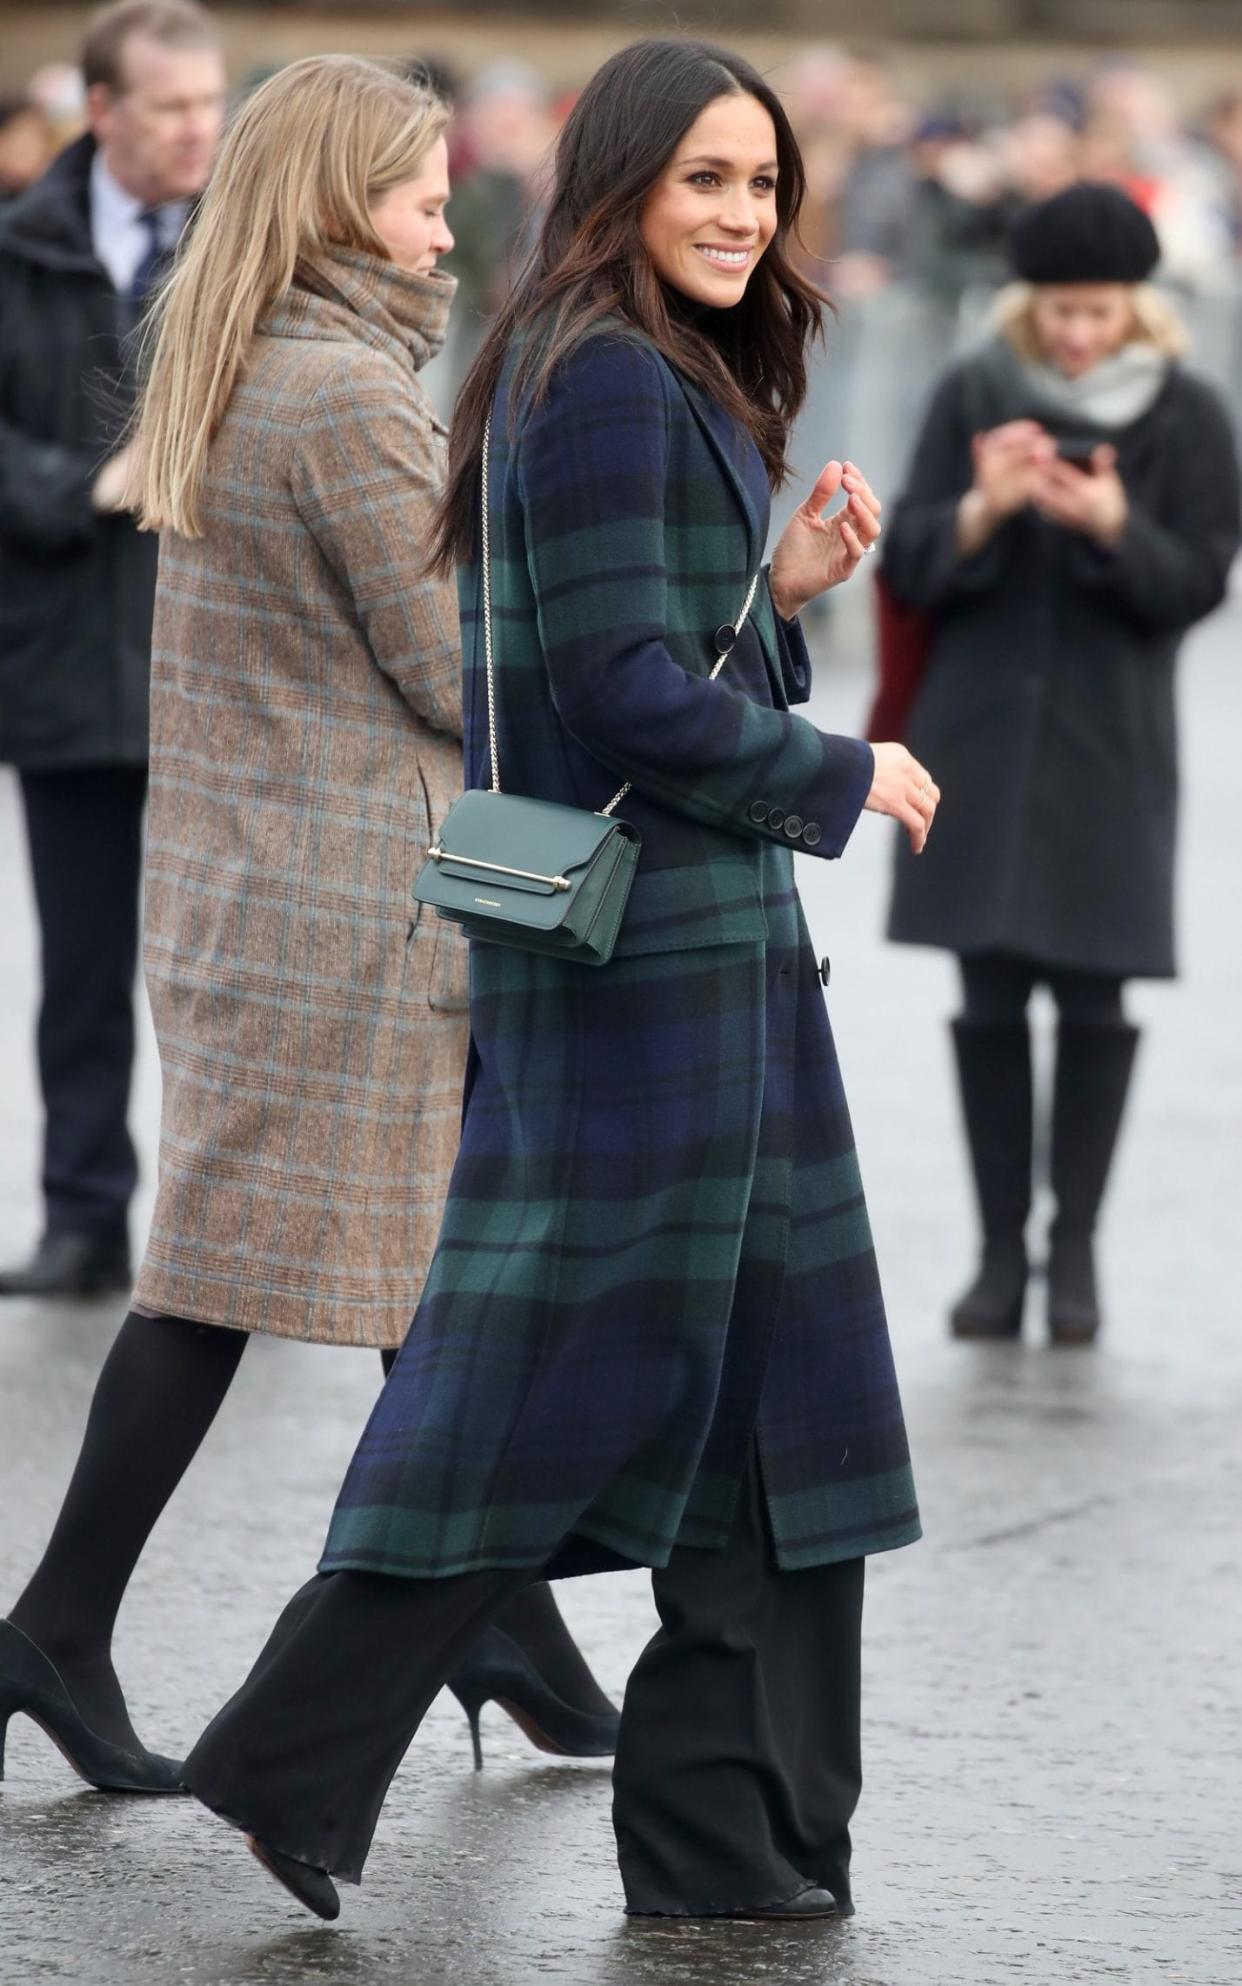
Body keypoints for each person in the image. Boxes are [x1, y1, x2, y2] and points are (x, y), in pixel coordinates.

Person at [174, 37, 938, 1927]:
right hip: (643, 971)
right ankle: (292, 1752)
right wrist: (844, 768)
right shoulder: (596, 374)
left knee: (767, 1406)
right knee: (554, 1389)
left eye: (761, 183)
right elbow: (609, 693)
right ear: (616, 182)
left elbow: (650, 653)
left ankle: (730, 1843)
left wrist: (781, 590)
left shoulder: (622, 364)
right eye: (704, 179)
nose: (743, 214)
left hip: (691, 955)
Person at [0, 55, 617, 1799]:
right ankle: (57, 1620)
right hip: (342, 913)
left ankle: (493, 1623)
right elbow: (447, 669)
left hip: (277, 892)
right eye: (424, 199)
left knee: (417, 1289)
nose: (446, 225)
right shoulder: (342, 393)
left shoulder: (260, 354)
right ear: (344, 202)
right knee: (231, 1289)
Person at [882, 182, 1240, 1344]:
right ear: (1028, 307)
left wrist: (1109, 529)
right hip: (978, 735)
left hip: (1109, 744)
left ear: (1137, 309)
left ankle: (1072, 1249)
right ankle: (997, 1256)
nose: (1079, 335)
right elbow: (909, 565)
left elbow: (1195, 584)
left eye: (1100, 313)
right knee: (986, 988)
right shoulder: (973, 392)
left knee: (1095, 991)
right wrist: (985, 512)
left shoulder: (1188, 417)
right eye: (1061, 312)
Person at [0, 0, 226, 1298]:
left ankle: (229, 1235)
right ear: (101, 112)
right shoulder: (19, 252)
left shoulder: (248, 254)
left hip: (222, 667)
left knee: (226, 969)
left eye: (210, 103)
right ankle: (85, 1219)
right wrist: (87, 483)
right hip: (68, 663)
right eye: (171, 106)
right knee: (83, 968)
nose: (200, 128)